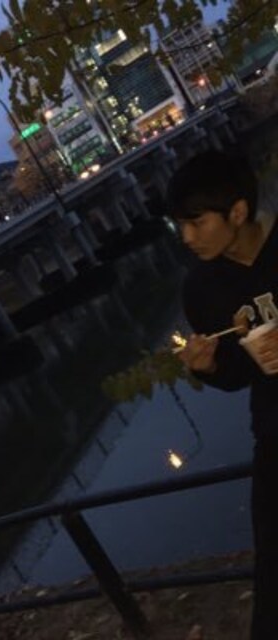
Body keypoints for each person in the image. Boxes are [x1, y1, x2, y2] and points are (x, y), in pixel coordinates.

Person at [167, 149, 278, 639]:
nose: (187, 238)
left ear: (237, 211)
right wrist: (210, 368)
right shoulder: (201, 289)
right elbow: (236, 376)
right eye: (180, 226)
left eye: (197, 222)